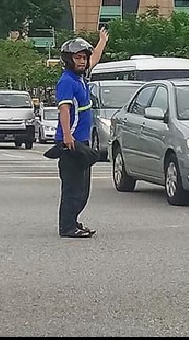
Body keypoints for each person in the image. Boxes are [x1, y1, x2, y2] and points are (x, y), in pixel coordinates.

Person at [54, 29, 108, 238]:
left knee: (82, 188)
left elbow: (94, 59)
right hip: (71, 143)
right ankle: (67, 227)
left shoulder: (80, 78)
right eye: (78, 57)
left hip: (81, 140)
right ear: (68, 59)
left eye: (84, 57)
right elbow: (65, 110)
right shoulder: (67, 81)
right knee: (73, 188)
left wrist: (102, 42)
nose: (83, 61)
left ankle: (73, 221)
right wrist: (67, 137)